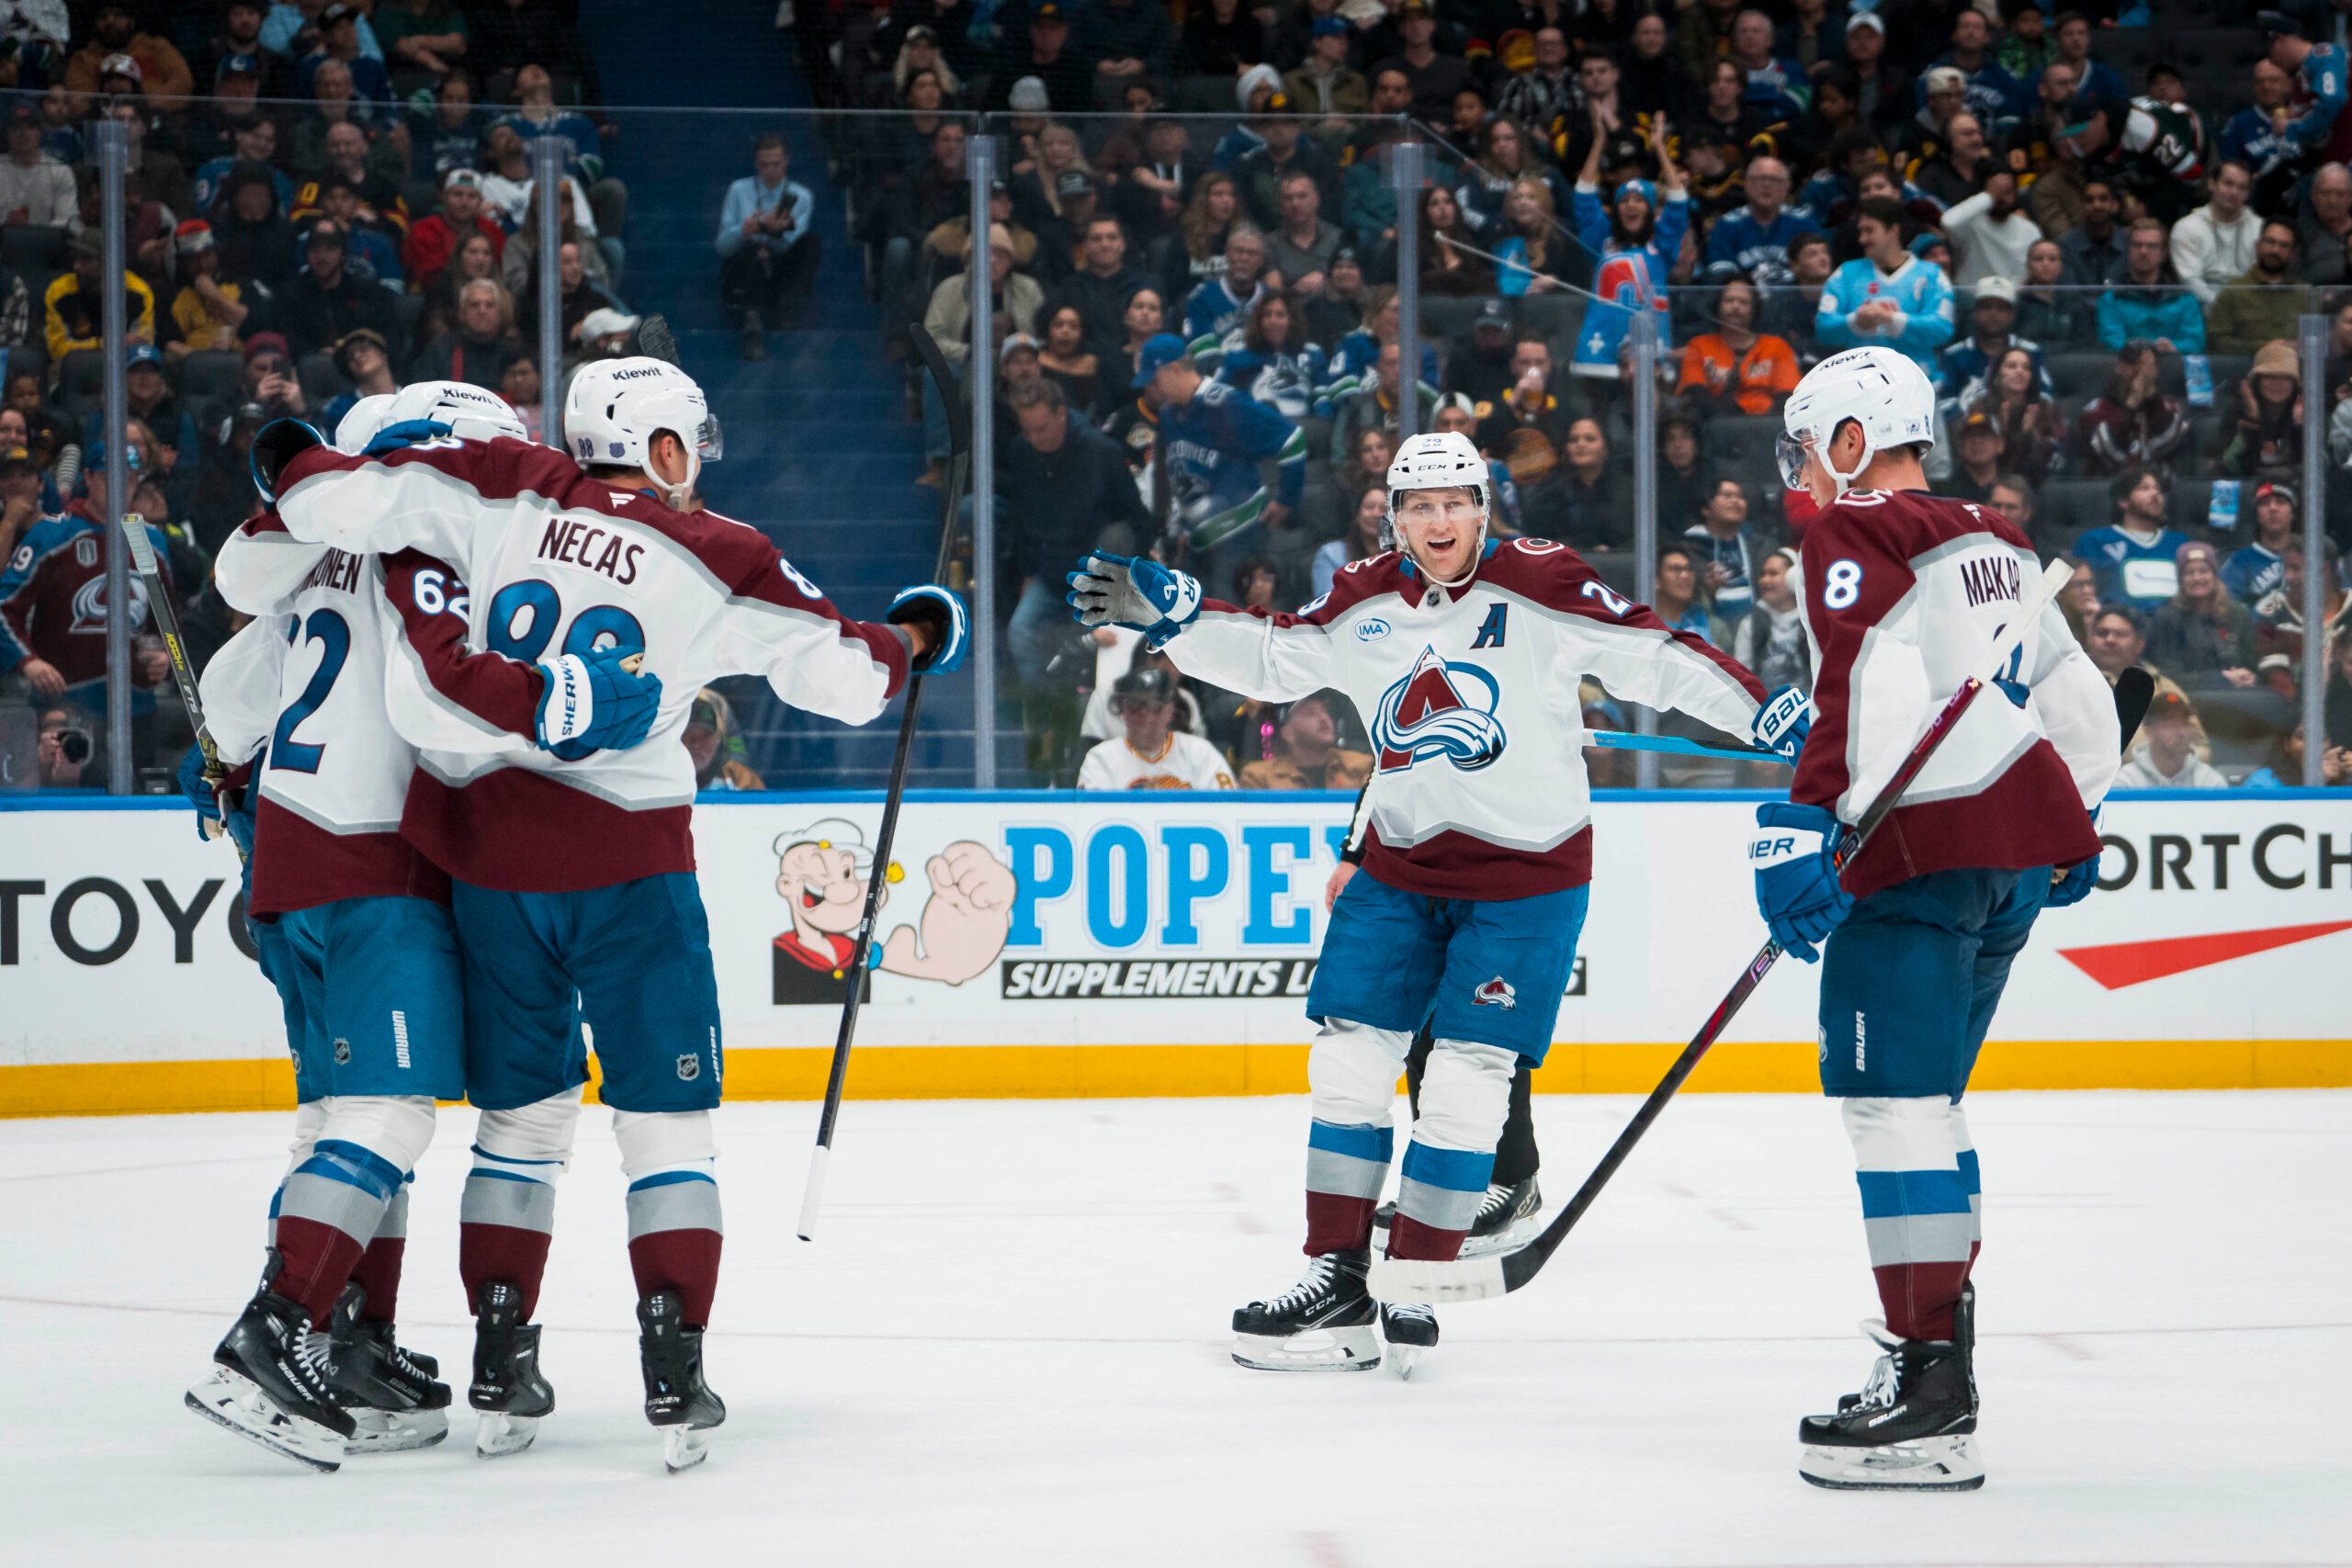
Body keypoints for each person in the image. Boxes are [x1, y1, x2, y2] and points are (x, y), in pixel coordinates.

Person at [261, 358, 969, 1471]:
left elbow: (340, 494)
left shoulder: (506, 484)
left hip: (489, 866)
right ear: (668, 449)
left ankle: (499, 1365)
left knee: (522, 1127)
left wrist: (294, 462)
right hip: (634, 875)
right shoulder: (722, 549)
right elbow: (847, 679)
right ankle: (672, 1369)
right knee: (665, 1126)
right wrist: (914, 639)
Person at [1069, 429, 1779, 1373]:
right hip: (1400, 868)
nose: (1438, 521)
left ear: (1484, 507)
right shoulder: (1364, 596)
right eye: (1419, 506)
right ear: (1393, 516)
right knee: (1350, 1065)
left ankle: (1416, 1277)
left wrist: (1773, 715)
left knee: (1463, 1081)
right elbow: (1278, 658)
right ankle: (1337, 1280)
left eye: (1455, 503)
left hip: (1525, 877)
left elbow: (1662, 658)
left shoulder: (1542, 581)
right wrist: (1180, 618)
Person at [178, 389, 592, 1472]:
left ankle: (353, 1345)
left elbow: (229, 705)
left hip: (293, 867)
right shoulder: (426, 552)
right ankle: (278, 1330)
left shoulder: (317, 561)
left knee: (333, 1118)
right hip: (378, 868)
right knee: (390, 1113)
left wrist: (225, 772)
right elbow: (443, 717)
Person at [1760, 344, 2119, 1491]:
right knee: (1930, 1109)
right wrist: (2078, 819)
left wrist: (1802, 819)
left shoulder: (1857, 528)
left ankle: (1927, 1387)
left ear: (1852, 439)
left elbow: (1859, 682)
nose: (1804, 473)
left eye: (1811, 445)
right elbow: (2079, 704)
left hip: (1919, 860)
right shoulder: (1999, 536)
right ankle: (1934, 1356)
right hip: (2007, 864)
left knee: (1891, 1110)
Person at [1002, 378, 1150, 689]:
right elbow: (1020, 514)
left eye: (1041, 428)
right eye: (1027, 429)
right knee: (1020, 630)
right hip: (1048, 570)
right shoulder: (1021, 452)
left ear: (1062, 415)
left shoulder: (1102, 453)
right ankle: (1045, 710)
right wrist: (1027, 570)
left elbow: (1135, 519)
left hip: (1097, 576)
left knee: (1096, 646)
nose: (1033, 438)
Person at [1136, 333, 1306, 562]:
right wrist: (1164, 524)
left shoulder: (1227, 405)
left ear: (1174, 370)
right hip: (1197, 544)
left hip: (1240, 539)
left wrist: (1287, 500)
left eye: (1154, 381)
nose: (1151, 390)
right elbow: (1166, 471)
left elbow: (1292, 441)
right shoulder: (1168, 414)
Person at [1815, 196, 1955, 371]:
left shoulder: (1932, 275)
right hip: (1860, 381)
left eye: (1869, 230)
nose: (1862, 239)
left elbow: (1942, 329)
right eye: (1861, 231)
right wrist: (1855, 321)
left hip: (1916, 381)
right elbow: (1823, 328)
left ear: (1893, 230)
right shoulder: (1846, 273)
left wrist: (1892, 319)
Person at [718, 133, 819, 360]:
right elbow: (722, 247)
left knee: (811, 242)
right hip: (746, 264)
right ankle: (752, 327)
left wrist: (771, 233)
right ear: (756, 164)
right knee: (752, 252)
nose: (770, 170)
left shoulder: (801, 196)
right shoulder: (738, 190)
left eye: (776, 164)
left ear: (786, 162)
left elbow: (794, 243)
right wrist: (744, 231)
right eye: (764, 165)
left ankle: (787, 302)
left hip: (780, 266)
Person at [1077, 667, 1235, 789]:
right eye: (1135, 704)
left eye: (1155, 706)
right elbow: (1091, 814)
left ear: (1170, 710)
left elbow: (1228, 807)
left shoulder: (1200, 753)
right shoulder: (1101, 758)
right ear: (1122, 709)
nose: (1145, 714)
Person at [2077, 463, 2192, 613]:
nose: (2155, 494)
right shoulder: (2095, 541)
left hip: (2172, 627)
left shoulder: (2180, 543)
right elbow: (2082, 592)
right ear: (2124, 501)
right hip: (2116, 627)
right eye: (2144, 488)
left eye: (2158, 489)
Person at [1679, 276, 1801, 415]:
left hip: (1766, 427)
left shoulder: (1777, 346)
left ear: (1754, 309)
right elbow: (1695, 394)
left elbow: (1787, 396)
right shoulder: (1698, 346)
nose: (1736, 306)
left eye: (1744, 302)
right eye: (1729, 300)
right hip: (1716, 425)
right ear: (1717, 305)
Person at [2146, 540, 2259, 691]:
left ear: (2215, 575)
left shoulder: (2238, 614)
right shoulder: (2166, 617)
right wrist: (2221, 679)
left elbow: (2251, 664)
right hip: (2189, 699)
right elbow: (2167, 675)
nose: (2197, 578)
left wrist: (2249, 676)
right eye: (2189, 572)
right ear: (2180, 579)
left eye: (2203, 571)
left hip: (2239, 696)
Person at [2075, 339, 2189, 478]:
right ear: (2119, 367)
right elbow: (2110, 453)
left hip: (2158, 488)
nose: (2141, 373)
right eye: (2135, 364)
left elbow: (2167, 443)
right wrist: (2133, 400)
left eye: (2148, 366)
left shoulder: (2169, 408)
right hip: (2110, 488)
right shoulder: (2096, 412)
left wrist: (2153, 399)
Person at [2208, 220, 2313, 355]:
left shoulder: (2304, 294)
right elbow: (2215, 341)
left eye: (2284, 245)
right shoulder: (2234, 291)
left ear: (2293, 253)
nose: (2275, 250)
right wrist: (2262, 346)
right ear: (2257, 246)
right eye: (2270, 242)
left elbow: (2317, 342)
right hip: (2245, 369)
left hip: (2294, 369)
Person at [2170, 159, 2262, 308]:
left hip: (2250, 311)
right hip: (2201, 314)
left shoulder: (2260, 228)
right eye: (2228, 184)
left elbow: (2261, 281)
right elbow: (2190, 282)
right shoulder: (2186, 228)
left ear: (2248, 194)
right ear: (2212, 184)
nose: (2234, 192)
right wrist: (2225, 310)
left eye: (2242, 187)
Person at [1238, 693, 1373, 788]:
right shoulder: (1258, 778)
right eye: (1311, 713)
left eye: (1325, 711)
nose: (1324, 718)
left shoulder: (1361, 767)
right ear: (1287, 733)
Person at [1732, 546, 1812, 691]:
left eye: (1773, 574)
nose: (1764, 580)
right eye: (1763, 574)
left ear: (1793, 577)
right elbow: (1741, 676)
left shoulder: (1811, 620)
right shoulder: (1750, 624)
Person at [2111, 691, 2228, 785]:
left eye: (2185, 723)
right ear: (2148, 731)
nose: (2181, 732)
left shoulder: (2210, 783)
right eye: (2170, 725)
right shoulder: (2125, 783)